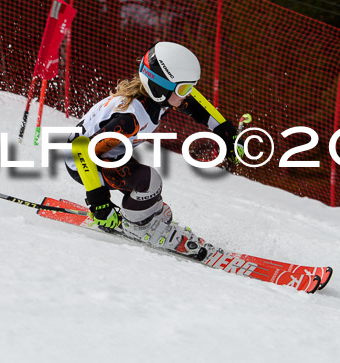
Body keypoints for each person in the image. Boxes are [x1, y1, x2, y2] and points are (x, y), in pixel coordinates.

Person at [65, 42, 239, 258]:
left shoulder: (160, 99)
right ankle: (138, 226)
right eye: (184, 88)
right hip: (83, 163)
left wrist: (224, 130)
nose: (189, 94)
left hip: (107, 156)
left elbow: (196, 106)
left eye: (191, 87)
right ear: (160, 87)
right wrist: (98, 202)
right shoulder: (131, 118)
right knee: (149, 182)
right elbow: (81, 150)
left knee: (153, 200)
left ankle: (146, 218)